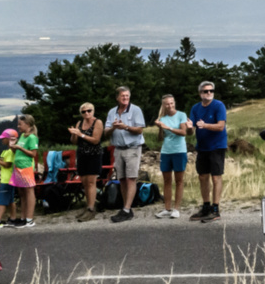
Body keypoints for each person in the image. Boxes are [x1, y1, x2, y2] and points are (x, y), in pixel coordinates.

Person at [105, 86, 146, 223]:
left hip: (132, 147)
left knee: (131, 178)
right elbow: (106, 132)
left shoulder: (135, 110)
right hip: (118, 148)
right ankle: (126, 207)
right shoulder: (112, 112)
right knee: (121, 178)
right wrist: (113, 128)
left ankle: (127, 209)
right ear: (117, 97)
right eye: (123, 96)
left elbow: (140, 129)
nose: (125, 98)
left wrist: (126, 127)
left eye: (127, 96)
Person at [190, 80, 229, 223]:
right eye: (206, 91)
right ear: (200, 93)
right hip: (202, 146)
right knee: (202, 176)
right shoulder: (195, 108)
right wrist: (188, 126)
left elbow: (220, 126)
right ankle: (206, 206)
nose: (209, 93)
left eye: (211, 91)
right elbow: (191, 129)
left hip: (217, 146)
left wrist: (205, 125)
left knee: (216, 177)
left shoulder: (219, 106)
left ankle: (215, 208)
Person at [67, 102, 105, 221]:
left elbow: (95, 140)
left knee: (91, 182)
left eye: (89, 111)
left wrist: (81, 134)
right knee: (84, 182)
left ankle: (91, 208)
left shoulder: (97, 122)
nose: (86, 113)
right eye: (84, 112)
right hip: (82, 154)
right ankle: (88, 205)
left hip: (94, 155)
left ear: (93, 111)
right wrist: (74, 134)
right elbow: (74, 142)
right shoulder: (79, 123)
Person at [154, 94, 189, 218]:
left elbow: (183, 132)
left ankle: (176, 209)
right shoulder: (162, 118)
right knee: (167, 180)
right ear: (163, 105)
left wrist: (168, 127)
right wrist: (159, 127)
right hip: (166, 151)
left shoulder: (181, 115)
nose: (170, 106)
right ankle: (167, 208)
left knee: (179, 180)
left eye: (171, 103)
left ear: (174, 103)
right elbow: (160, 138)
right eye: (167, 104)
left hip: (179, 150)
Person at [9, 115, 40, 227]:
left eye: (20, 124)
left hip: (26, 167)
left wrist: (20, 148)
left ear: (27, 124)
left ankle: (29, 218)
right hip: (18, 167)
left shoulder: (32, 137)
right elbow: (15, 152)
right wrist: (12, 146)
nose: (18, 126)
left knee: (29, 191)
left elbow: (33, 154)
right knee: (22, 193)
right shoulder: (22, 136)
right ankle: (23, 217)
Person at [0, 129, 18, 223]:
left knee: (2, 201)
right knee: (10, 200)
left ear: (9, 139)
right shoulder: (8, 151)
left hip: (6, 180)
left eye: (3, 138)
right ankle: (13, 218)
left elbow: (7, 164)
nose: (2, 140)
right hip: (11, 179)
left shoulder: (10, 152)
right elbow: (4, 160)